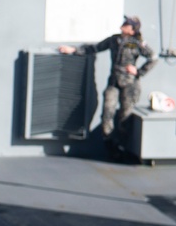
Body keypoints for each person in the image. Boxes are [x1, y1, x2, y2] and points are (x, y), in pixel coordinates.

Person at [58, 16, 158, 153]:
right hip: (114, 82)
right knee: (107, 112)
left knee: (125, 116)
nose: (123, 24)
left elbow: (153, 57)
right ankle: (111, 145)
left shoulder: (137, 43)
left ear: (132, 29)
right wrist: (74, 50)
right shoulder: (114, 40)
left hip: (129, 85)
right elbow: (95, 48)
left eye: (127, 24)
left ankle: (124, 147)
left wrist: (138, 72)